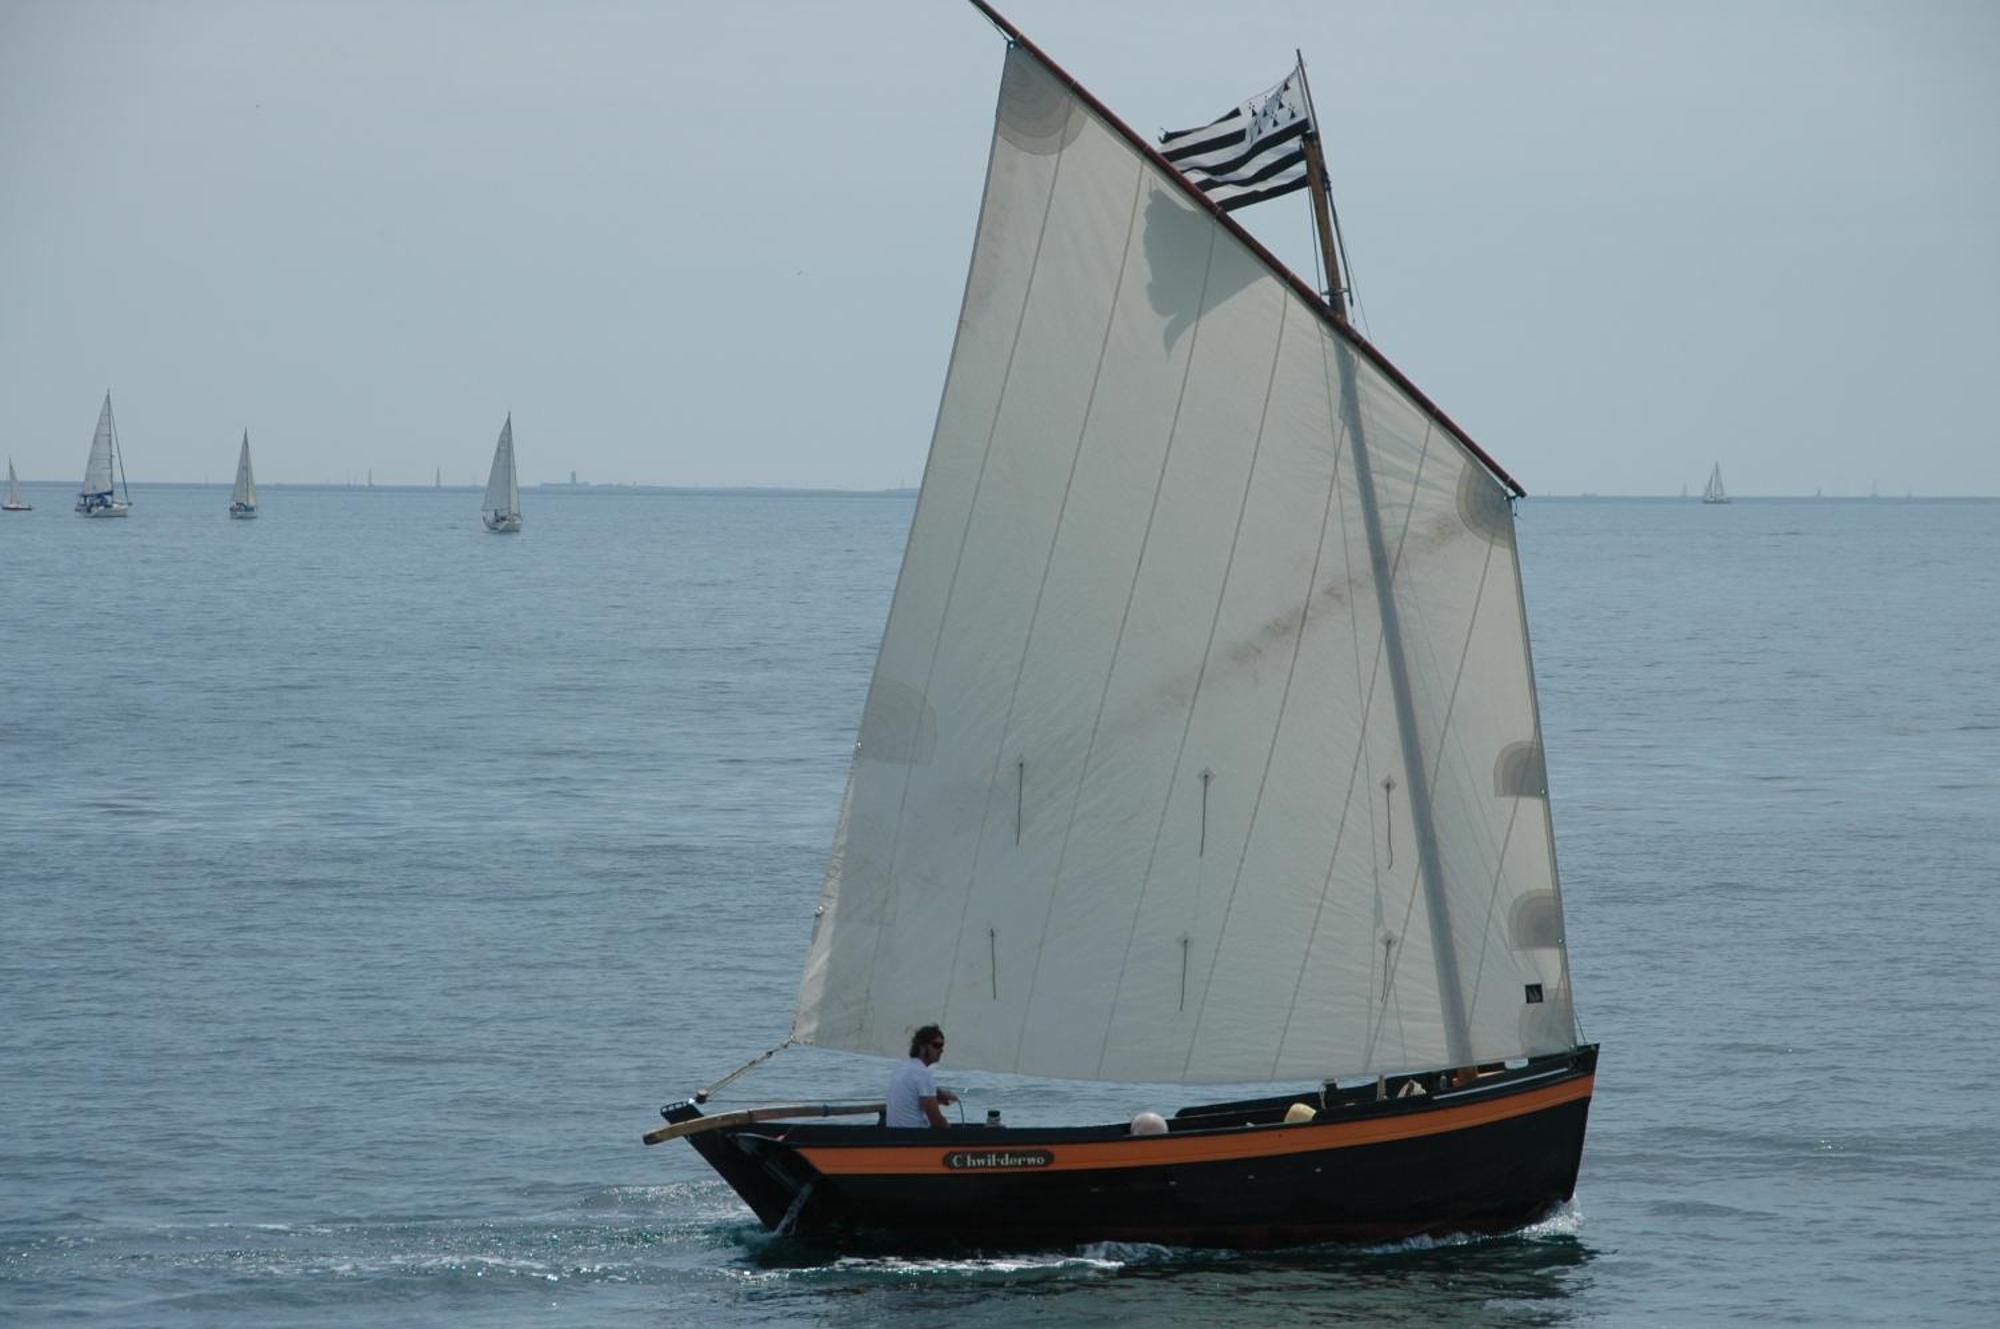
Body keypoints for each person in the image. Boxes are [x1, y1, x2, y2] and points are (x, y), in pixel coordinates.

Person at [886, 1024, 958, 1128]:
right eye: (936, 1045)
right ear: (922, 1047)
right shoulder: (923, 1074)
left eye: (942, 1046)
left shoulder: (902, 1067)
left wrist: (937, 1093)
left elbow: (914, 1093)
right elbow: (936, 1120)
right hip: (915, 1138)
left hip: (894, 1135)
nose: (941, 1050)